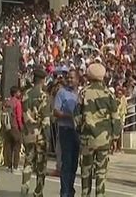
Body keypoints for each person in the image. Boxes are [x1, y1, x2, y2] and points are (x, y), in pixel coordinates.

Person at [74, 63, 121, 197]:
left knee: (86, 172)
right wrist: (114, 137)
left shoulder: (83, 92)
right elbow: (116, 119)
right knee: (101, 173)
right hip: (104, 140)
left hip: (87, 138)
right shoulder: (109, 94)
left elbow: (76, 116)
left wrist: (80, 130)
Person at [21, 68, 51, 197]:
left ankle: (24, 186)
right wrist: (48, 137)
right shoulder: (44, 96)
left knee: (28, 162)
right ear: (43, 80)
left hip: (28, 133)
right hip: (40, 136)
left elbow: (23, 114)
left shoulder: (26, 94)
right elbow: (46, 120)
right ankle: (38, 191)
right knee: (40, 165)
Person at [54, 69, 80, 197]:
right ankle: (64, 192)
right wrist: (70, 116)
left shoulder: (81, 93)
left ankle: (70, 189)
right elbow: (56, 111)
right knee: (67, 162)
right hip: (65, 130)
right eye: (68, 78)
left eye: (72, 78)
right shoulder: (61, 93)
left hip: (77, 131)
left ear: (78, 79)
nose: (70, 80)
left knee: (74, 164)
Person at [3, 86, 23, 172]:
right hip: (15, 126)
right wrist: (21, 126)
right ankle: (15, 166)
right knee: (17, 146)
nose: (20, 94)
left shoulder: (7, 102)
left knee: (8, 146)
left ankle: (8, 165)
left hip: (7, 126)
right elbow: (19, 116)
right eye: (19, 92)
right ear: (15, 93)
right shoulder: (17, 103)